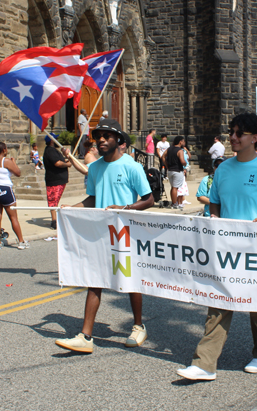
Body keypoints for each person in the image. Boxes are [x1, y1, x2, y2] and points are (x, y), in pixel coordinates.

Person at [176, 113, 257, 381]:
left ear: (255, 138)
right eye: (231, 132)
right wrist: (214, 217)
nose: (233, 137)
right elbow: (215, 200)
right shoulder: (224, 169)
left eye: (239, 133)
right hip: (225, 247)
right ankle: (204, 364)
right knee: (218, 301)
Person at [55, 119, 154, 354]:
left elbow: (149, 199)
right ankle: (86, 336)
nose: (101, 139)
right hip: (101, 231)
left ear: (118, 140)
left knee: (129, 279)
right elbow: (92, 198)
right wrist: (73, 207)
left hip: (125, 230)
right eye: (98, 135)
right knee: (95, 279)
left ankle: (139, 326)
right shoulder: (96, 168)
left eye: (106, 136)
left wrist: (125, 208)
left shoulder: (132, 166)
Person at [43, 134, 72, 230]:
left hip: (59, 179)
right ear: (52, 141)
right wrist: (67, 164)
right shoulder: (50, 150)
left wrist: (66, 156)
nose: (58, 140)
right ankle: (54, 221)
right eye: (56, 139)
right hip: (54, 179)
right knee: (53, 201)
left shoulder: (54, 150)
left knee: (54, 200)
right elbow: (58, 163)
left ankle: (55, 219)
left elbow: (61, 161)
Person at [162, 136, 187, 209]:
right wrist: (185, 164)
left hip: (170, 170)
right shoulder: (180, 150)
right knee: (175, 188)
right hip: (177, 170)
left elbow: (163, 156)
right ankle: (174, 203)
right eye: (183, 141)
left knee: (173, 187)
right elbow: (182, 161)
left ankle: (174, 202)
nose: (184, 143)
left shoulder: (169, 149)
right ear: (180, 142)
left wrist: (166, 164)